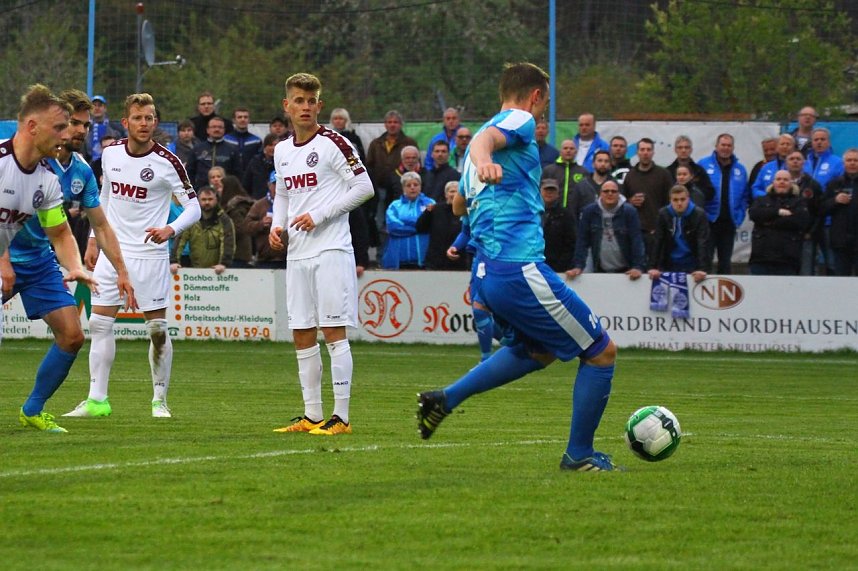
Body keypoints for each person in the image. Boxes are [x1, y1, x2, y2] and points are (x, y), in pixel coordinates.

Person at [416, 62, 621, 472]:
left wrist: (483, 166)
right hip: (518, 269)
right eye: (544, 103)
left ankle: (445, 399)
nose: (542, 114)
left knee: (537, 350)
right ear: (535, 96)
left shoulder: (479, 151)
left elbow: (459, 205)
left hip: (490, 275)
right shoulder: (517, 121)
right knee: (601, 352)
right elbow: (485, 141)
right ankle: (579, 455)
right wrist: (485, 156)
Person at [65, 92, 201, 420]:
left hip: (151, 255)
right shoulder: (110, 154)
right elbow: (104, 199)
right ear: (126, 122)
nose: (144, 124)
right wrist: (96, 239)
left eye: (150, 118)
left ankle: (159, 400)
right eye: (138, 118)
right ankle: (97, 399)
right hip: (114, 253)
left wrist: (170, 229)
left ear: (155, 122)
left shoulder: (168, 162)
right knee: (99, 323)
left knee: (156, 330)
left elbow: (194, 207)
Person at [268, 72, 373, 435]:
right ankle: (312, 414)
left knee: (333, 330)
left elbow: (365, 187)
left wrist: (321, 214)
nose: (306, 107)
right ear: (287, 105)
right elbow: (283, 193)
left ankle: (340, 417)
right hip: (297, 253)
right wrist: (275, 226)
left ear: (319, 105)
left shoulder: (335, 144)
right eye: (299, 100)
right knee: (301, 332)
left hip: (331, 249)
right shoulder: (281, 150)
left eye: (311, 101)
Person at [0, 84, 100, 433]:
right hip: (6, 262)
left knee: (72, 335)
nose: (66, 134)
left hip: (38, 264)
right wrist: (3, 261)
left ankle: (33, 409)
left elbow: (59, 233)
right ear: (31, 127)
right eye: (58, 127)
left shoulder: (47, 180)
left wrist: (75, 266)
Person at [569, 179, 646, 280]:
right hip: (599, 269)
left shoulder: (629, 212)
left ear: (619, 194)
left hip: (626, 270)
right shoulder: (589, 212)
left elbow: (637, 240)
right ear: (600, 193)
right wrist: (578, 266)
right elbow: (582, 241)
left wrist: (638, 267)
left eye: (613, 191)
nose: (610, 194)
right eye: (606, 191)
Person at [699, 133, 750, 274]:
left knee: (725, 261)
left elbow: (746, 196)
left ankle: (724, 294)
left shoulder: (740, 169)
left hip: (729, 223)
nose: (725, 148)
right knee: (705, 260)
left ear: (733, 148)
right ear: (716, 146)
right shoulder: (703, 165)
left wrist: (739, 216)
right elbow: (696, 192)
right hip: (709, 221)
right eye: (723, 145)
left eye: (729, 145)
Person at [748, 170, 810, 275]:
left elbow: (800, 221)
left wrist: (768, 222)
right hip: (761, 258)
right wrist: (778, 212)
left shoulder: (799, 202)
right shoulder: (761, 200)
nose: (782, 182)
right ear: (773, 182)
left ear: (791, 183)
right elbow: (754, 214)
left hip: (788, 259)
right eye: (778, 179)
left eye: (786, 180)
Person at [623, 137, 674, 258]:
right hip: (635, 231)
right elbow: (622, 201)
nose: (645, 153)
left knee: (656, 266)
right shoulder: (630, 175)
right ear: (637, 152)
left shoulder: (664, 174)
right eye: (642, 149)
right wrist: (630, 201)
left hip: (657, 230)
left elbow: (671, 202)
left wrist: (662, 227)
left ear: (653, 152)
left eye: (648, 149)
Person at [648, 185, 710, 282]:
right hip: (669, 262)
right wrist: (653, 267)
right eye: (675, 200)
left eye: (682, 199)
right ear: (670, 200)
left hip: (691, 263)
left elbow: (702, 242)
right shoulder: (663, 214)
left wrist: (702, 269)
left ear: (688, 199)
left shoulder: (699, 214)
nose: (679, 203)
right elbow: (658, 240)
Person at [170, 187, 234, 274]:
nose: (207, 202)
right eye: (203, 199)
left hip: (218, 271)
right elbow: (180, 239)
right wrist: (174, 261)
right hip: (194, 269)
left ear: (216, 200)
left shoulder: (224, 220)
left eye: (210, 199)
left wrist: (224, 263)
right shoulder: (191, 218)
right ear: (198, 200)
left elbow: (228, 242)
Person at [381, 171, 435, 269]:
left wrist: (406, 222)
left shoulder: (430, 204)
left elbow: (433, 226)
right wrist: (419, 227)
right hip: (399, 260)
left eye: (416, 184)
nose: (412, 187)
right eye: (408, 185)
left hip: (424, 260)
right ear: (403, 188)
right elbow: (394, 228)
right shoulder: (394, 206)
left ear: (420, 186)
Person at [785, 150, 824, 275]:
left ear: (804, 163)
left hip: (806, 236)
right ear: (786, 163)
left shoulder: (813, 185)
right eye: (792, 159)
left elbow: (819, 212)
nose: (795, 161)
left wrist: (811, 232)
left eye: (798, 159)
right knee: (786, 272)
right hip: (784, 236)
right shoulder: (780, 183)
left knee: (806, 271)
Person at [821, 149, 858, 276]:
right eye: (849, 160)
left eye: (856, 160)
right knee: (841, 279)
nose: (852, 163)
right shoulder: (834, 184)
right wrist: (835, 201)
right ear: (844, 164)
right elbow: (822, 208)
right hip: (840, 241)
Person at [416, 180, 467, 270]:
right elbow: (419, 227)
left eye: (457, 191)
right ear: (446, 194)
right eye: (451, 191)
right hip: (435, 262)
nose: (454, 194)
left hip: (459, 261)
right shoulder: (435, 209)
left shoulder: (466, 211)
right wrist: (427, 213)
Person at [186, 116, 242, 190]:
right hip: (201, 192)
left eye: (220, 127)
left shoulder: (232, 150)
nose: (217, 129)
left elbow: (238, 174)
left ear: (224, 130)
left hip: (225, 192)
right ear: (208, 130)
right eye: (213, 127)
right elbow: (189, 173)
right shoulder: (197, 149)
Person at [244, 172, 285, 269]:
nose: (277, 187)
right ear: (269, 185)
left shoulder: (292, 203)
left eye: (281, 184)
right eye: (275, 184)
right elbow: (246, 226)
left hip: (288, 259)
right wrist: (261, 224)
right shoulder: (259, 205)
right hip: (265, 260)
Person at [539, 178, 577, 274]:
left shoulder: (566, 215)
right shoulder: (531, 213)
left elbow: (571, 243)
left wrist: (561, 266)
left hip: (558, 268)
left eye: (552, 190)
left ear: (558, 193)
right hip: (534, 264)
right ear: (540, 191)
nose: (549, 193)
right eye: (546, 190)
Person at [567, 149, 615, 223]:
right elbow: (573, 211)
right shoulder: (581, 186)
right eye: (600, 161)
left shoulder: (615, 186)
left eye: (606, 161)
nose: (603, 164)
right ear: (593, 164)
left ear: (610, 165)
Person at [542, 139, 589, 210]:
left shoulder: (583, 172)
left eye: (571, 148)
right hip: (551, 213)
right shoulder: (549, 170)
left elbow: (586, 195)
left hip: (575, 214)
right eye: (565, 148)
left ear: (576, 152)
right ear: (560, 152)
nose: (568, 150)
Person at [221, 175, 256, 268]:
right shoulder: (233, 206)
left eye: (221, 187)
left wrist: (221, 233)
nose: (219, 190)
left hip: (238, 253)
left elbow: (239, 229)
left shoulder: (236, 208)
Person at [665, 135, 714, 200]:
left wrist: (692, 192)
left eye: (686, 147)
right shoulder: (668, 172)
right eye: (680, 147)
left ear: (691, 150)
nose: (683, 150)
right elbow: (663, 194)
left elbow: (710, 193)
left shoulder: (699, 171)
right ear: (675, 150)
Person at [751, 134, 795, 198]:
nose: (785, 146)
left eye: (788, 144)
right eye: (782, 144)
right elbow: (755, 188)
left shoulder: (801, 166)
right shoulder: (766, 167)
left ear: (793, 147)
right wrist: (768, 197)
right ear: (777, 147)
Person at [84, 94, 125, 162]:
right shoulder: (85, 128)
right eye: (94, 105)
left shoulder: (116, 127)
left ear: (105, 108)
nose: (97, 108)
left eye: (100, 105)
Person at [224, 107, 262, 175]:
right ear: (234, 120)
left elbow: (259, 162)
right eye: (239, 117)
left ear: (249, 120)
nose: (243, 119)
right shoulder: (226, 139)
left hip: (250, 178)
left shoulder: (256, 141)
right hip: (230, 178)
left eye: (245, 117)